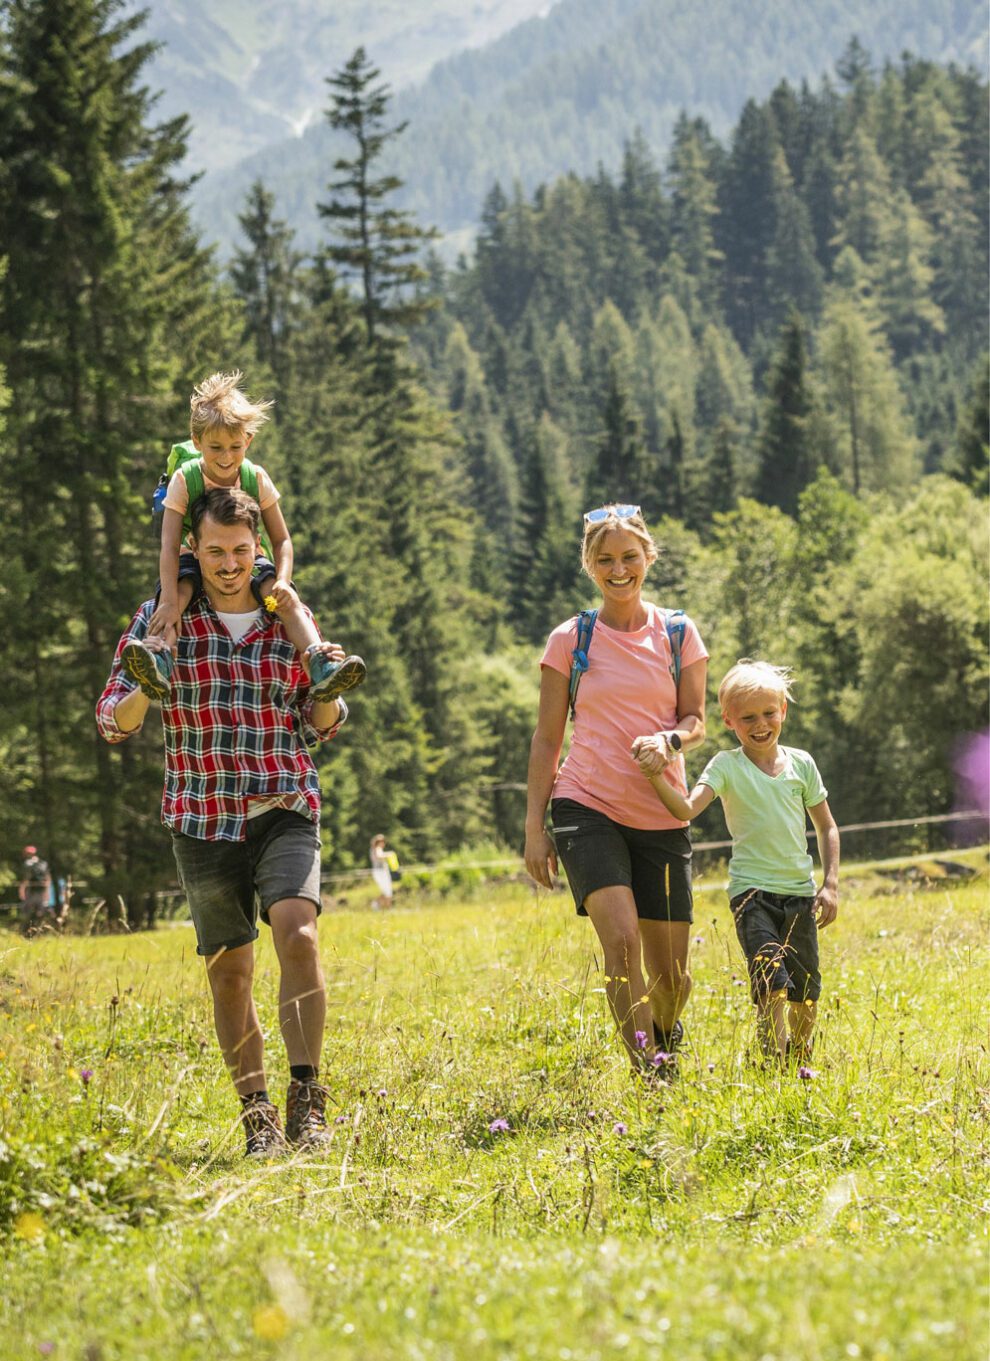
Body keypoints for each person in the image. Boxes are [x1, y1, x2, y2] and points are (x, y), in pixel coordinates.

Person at [97, 487, 349, 1157]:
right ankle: (257, 1114)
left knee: (299, 933)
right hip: (202, 814)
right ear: (194, 550)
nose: (230, 563)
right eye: (215, 551)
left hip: (283, 800)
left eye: (241, 550)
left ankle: (308, 1100)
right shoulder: (163, 617)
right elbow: (111, 718)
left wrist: (326, 698)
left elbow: (321, 723)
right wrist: (142, 696)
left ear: (257, 550)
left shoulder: (287, 616)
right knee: (230, 971)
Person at [524, 504, 708, 1080]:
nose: (619, 569)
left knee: (673, 976)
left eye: (630, 557)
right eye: (605, 559)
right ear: (590, 566)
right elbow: (548, 736)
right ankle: (649, 1075)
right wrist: (535, 828)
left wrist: (670, 742)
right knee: (623, 944)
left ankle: (663, 1036)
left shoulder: (678, 633)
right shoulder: (570, 639)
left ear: (648, 557)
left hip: (662, 809)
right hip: (586, 804)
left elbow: (696, 719)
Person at [634, 659, 839, 1065]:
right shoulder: (726, 765)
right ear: (729, 720)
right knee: (771, 982)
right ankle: (773, 1059)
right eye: (748, 717)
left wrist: (830, 884)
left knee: (805, 992)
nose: (760, 724)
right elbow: (687, 809)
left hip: (799, 894)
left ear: (783, 711)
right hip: (752, 895)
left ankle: (799, 1058)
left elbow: (827, 827)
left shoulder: (802, 764)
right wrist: (656, 775)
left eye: (768, 713)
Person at [121, 370, 366, 707]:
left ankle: (320, 662)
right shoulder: (185, 480)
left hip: (248, 555)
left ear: (248, 440)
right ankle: (161, 660)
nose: (225, 456)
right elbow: (169, 545)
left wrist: (282, 579)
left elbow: (281, 540)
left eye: (235, 447)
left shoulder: (256, 477)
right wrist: (166, 600)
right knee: (177, 597)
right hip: (194, 554)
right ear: (197, 442)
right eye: (215, 447)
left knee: (287, 602)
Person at [18, 846, 53, 936]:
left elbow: (26, 878)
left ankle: (28, 933)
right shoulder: (43, 863)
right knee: (40, 913)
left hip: (31, 891)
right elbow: (48, 879)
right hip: (41, 891)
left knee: (28, 912)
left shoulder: (27, 864)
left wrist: (21, 890)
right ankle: (38, 932)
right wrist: (47, 892)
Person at [368, 835, 394, 910]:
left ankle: (376, 904)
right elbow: (379, 856)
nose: (384, 844)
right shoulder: (378, 848)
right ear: (380, 842)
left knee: (386, 892)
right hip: (381, 872)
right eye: (383, 842)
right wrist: (389, 854)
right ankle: (388, 908)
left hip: (378, 872)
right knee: (388, 892)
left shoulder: (372, 849)